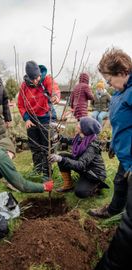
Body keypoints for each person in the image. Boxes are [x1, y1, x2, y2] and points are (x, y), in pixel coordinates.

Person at [89, 48, 132, 270]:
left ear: (123, 71)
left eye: (109, 79)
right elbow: (120, 123)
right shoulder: (118, 93)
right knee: (118, 183)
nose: (108, 84)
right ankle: (114, 209)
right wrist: (113, 144)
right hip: (125, 154)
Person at [18, 61, 60, 180]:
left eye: (37, 78)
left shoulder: (46, 79)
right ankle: (37, 170)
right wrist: (26, 119)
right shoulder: (24, 86)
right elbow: (20, 104)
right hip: (32, 119)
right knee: (35, 147)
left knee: (48, 146)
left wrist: (56, 96)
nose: (36, 81)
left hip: (47, 117)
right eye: (33, 79)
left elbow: (55, 88)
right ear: (28, 77)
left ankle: (47, 174)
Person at [49, 117, 109, 197]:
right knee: (63, 155)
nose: (77, 125)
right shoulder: (81, 137)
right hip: (85, 169)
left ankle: (96, 187)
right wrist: (59, 138)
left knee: (80, 192)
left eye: (79, 124)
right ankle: (68, 185)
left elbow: (80, 165)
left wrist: (61, 159)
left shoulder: (92, 146)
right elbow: (70, 140)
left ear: (85, 129)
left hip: (94, 174)